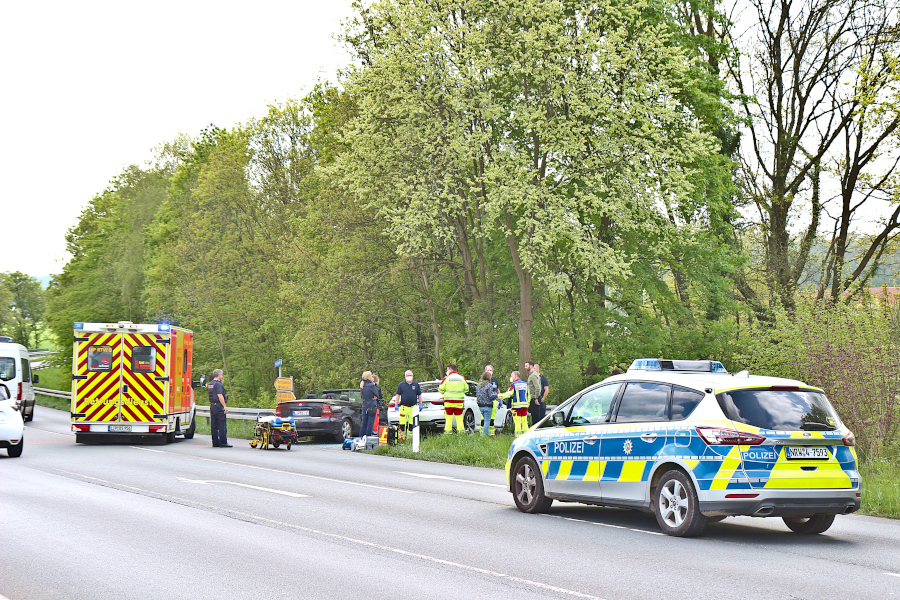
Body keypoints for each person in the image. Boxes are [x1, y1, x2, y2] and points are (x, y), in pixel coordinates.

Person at [438, 363, 467, 433]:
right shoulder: (462, 378)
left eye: (447, 369)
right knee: (459, 418)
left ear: (450, 370)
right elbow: (466, 389)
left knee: (448, 418)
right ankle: (461, 433)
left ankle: (448, 433)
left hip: (448, 403)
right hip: (459, 403)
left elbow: (441, 390)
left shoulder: (446, 378)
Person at [393, 370, 421, 441]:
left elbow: (419, 395)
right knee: (402, 423)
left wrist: (421, 404)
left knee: (412, 423)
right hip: (404, 407)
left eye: (410, 375)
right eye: (407, 375)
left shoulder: (416, 385)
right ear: (405, 377)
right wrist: (396, 404)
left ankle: (409, 438)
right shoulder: (401, 385)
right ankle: (401, 438)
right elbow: (398, 395)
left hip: (413, 407)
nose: (409, 377)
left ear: (413, 376)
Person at [500, 371, 530, 435]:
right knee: (524, 422)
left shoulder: (513, 385)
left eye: (512, 376)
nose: (511, 378)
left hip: (516, 407)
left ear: (515, 376)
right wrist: (527, 404)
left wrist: (499, 396)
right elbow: (529, 396)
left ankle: (518, 437)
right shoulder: (526, 384)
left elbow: (509, 394)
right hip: (525, 407)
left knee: (517, 423)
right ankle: (525, 437)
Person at [207, 369, 231, 448]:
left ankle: (215, 442)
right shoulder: (218, 384)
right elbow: (219, 395)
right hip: (218, 406)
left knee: (214, 425)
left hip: (212, 406)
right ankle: (223, 442)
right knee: (221, 424)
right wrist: (224, 406)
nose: (222, 376)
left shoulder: (211, 383)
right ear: (219, 375)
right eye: (222, 374)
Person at [475, 371, 497, 436]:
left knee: (485, 420)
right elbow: (490, 396)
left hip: (480, 406)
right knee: (487, 421)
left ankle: (483, 435)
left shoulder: (478, 385)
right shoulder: (489, 385)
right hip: (488, 405)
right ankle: (485, 436)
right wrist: (495, 395)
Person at [360, 371, 378, 438]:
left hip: (364, 405)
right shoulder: (371, 385)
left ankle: (361, 437)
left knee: (364, 423)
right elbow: (377, 394)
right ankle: (368, 437)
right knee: (370, 423)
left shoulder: (362, 385)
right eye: (371, 376)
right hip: (371, 405)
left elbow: (362, 396)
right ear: (368, 377)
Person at [525, 360, 542, 425]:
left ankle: (535, 431)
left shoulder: (533, 375)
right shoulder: (532, 374)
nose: (525, 367)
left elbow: (537, 387)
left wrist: (536, 398)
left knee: (535, 418)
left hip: (534, 399)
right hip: (532, 398)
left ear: (531, 366)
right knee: (534, 416)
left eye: (527, 366)